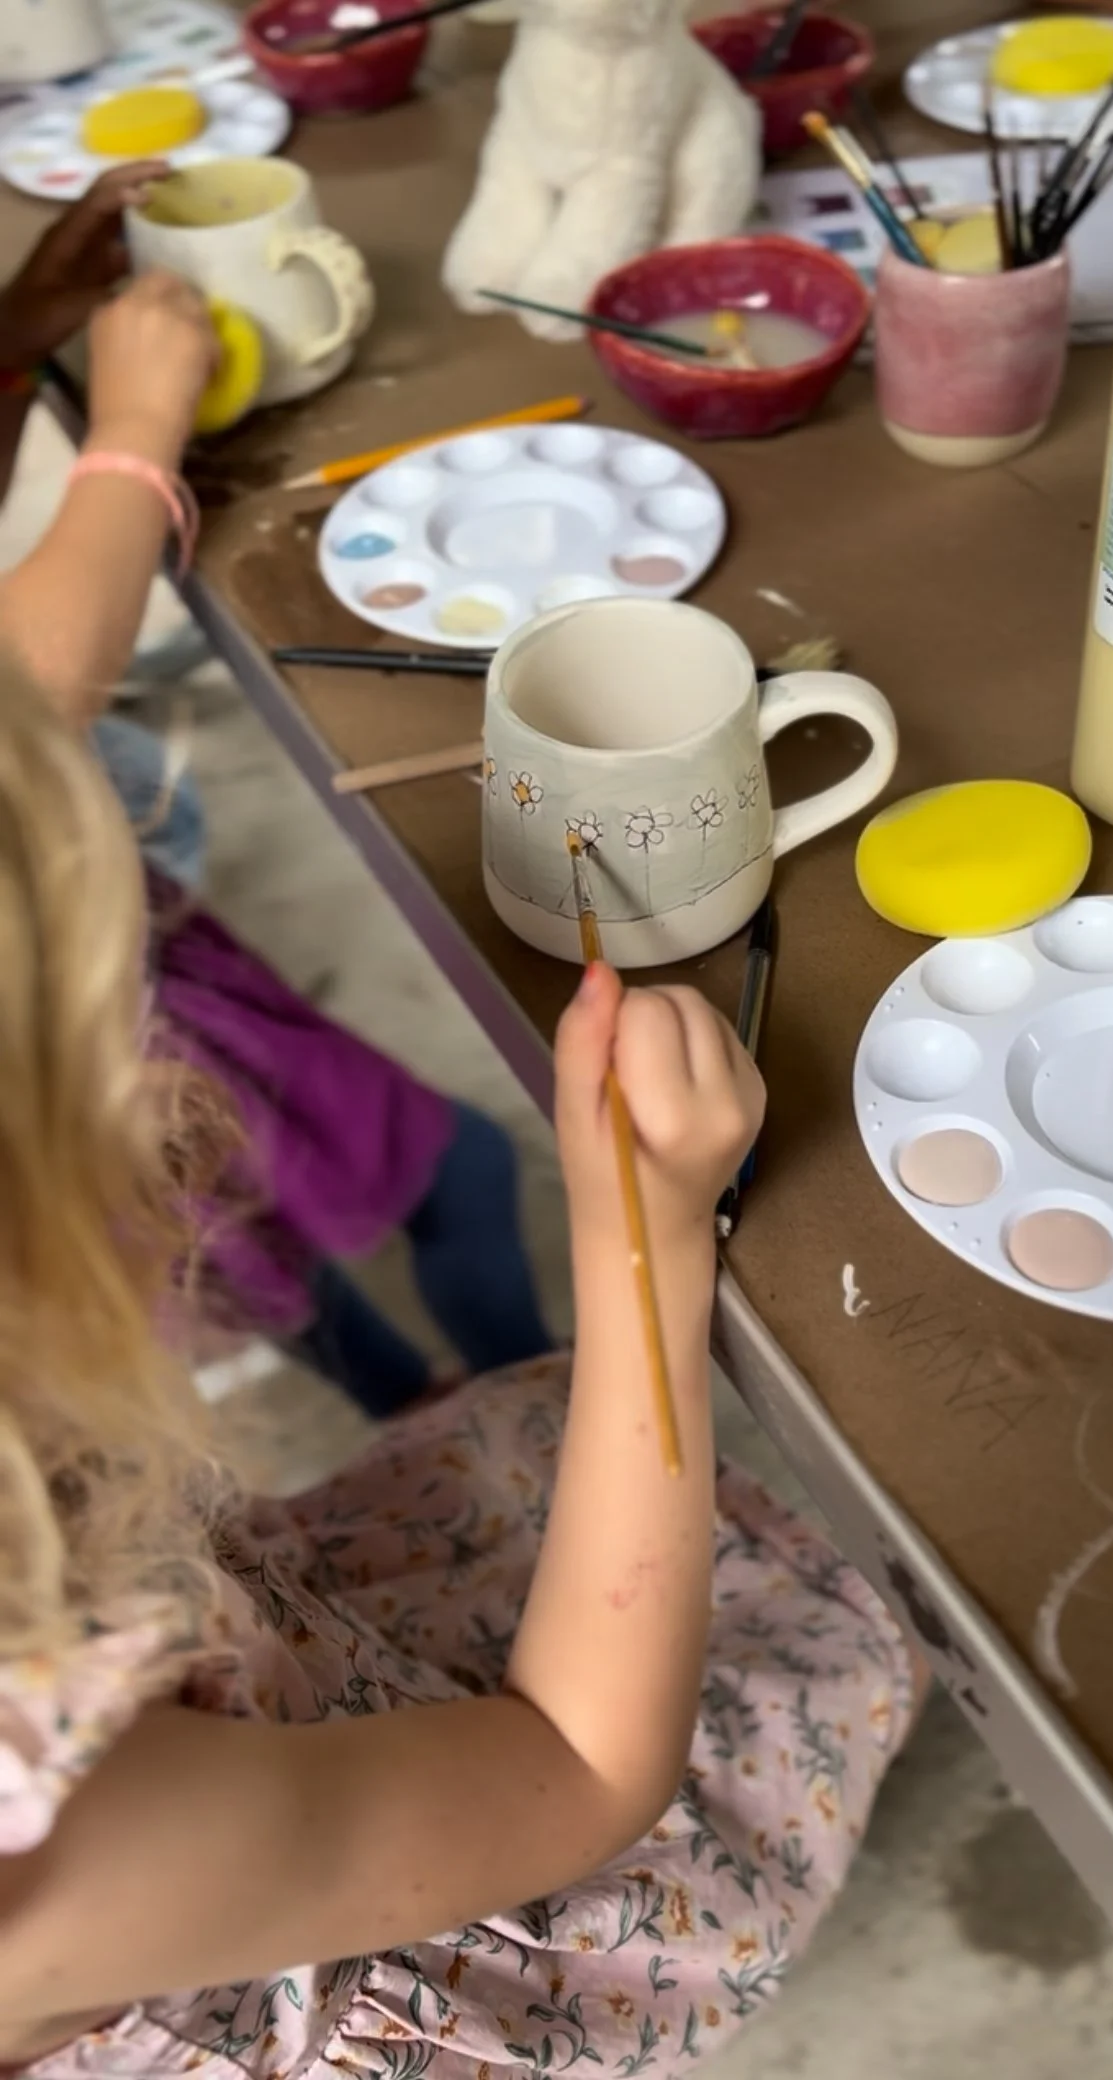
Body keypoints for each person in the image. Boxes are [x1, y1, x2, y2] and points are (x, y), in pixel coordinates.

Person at [0, 676, 917, 2077]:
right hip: (488, 1831)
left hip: (301, 1681)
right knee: (811, 1647)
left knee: (516, 1432)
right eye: (90, 1081)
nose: (168, 1104)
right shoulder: (64, 1860)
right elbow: (580, 1767)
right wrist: (645, 1243)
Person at [0, 185, 551, 1411]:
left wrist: (17, 340)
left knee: (241, 1258)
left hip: (93, 974)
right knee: (431, 1177)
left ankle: (410, 1402)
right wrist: (137, 430)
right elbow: (29, 697)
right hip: (79, 1054)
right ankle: (516, 1405)